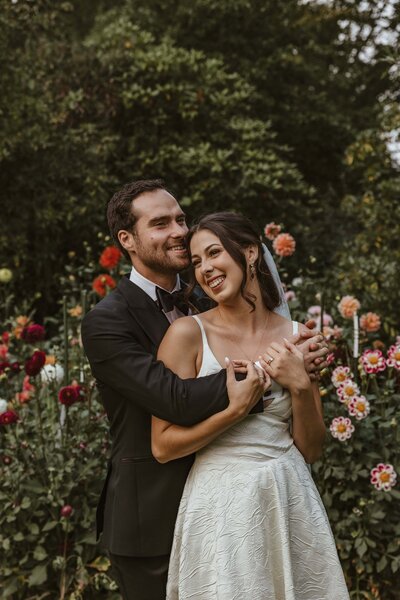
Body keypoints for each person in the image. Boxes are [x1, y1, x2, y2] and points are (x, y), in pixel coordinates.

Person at [81, 180, 330, 600]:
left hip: (261, 502)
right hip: (154, 521)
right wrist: (280, 364)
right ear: (128, 240)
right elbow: (173, 398)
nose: (178, 230)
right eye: (161, 223)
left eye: (180, 219)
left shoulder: (211, 296)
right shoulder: (108, 321)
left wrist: (300, 373)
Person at [152, 212, 350, 600]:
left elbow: (310, 448)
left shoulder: (299, 338)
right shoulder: (187, 335)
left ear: (250, 253)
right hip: (218, 499)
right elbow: (162, 446)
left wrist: (297, 384)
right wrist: (234, 412)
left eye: (214, 253)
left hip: (288, 492)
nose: (206, 269)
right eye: (196, 262)